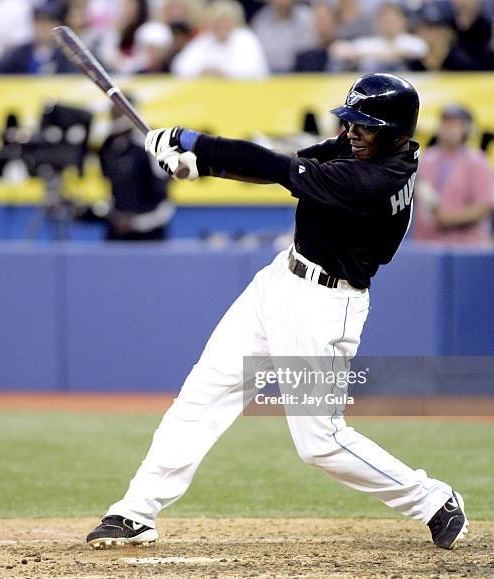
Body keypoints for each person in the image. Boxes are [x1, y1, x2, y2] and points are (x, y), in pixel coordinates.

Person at [85, 73, 468, 551]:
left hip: (324, 308)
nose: (352, 132)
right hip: (279, 281)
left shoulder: (371, 180)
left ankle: (433, 499)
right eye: (351, 122)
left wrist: (191, 140)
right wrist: (199, 164)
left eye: (363, 126)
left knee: (320, 443)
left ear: (395, 132)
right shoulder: (376, 150)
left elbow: (279, 170)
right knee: (204, 393)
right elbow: (287, 163)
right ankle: (136, 511)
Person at [413, 105, 492, 246]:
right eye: (445, 123)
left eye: (454, 124)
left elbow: (484, 206)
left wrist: (449, 219)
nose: (448, 128)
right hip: (427, 247)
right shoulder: (427, 158)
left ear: (466, 129)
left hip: (466, 248)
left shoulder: (477, 161)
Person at [98, 102, 174, 241]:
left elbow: (162, 188)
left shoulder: (149, 144)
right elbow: (112, 186)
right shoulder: (108, 146)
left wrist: (137, 221)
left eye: (119, 110)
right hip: (118, 227)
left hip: (149, 228)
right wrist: (115, 216)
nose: (114, 114)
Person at [171, 0, 268, 78]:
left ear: (234, 21)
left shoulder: (246, 39)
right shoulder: (205, 40)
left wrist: (222, 73)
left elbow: (251, 70)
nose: (221, 26)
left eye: (225, 21)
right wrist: (202, 71)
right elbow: (180, 66)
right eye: (217, 22)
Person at [330, 3, 427, 72]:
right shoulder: (370, 43)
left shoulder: (413, 42)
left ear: (402, 21)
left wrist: (369, 55)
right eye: (384, 19)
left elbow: (417, 53)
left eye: (392, 19)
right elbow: (337, 49)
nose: (388, 23)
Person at [0, 3, 75, 75]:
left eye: (47, 23)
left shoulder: (65, 55)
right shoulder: (20, 53)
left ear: (57, 25)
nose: (41, 28)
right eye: (38, 23)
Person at [250, 0, 317, 73]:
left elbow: (310, 49)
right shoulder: (260, 19)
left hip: (300, 72)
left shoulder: (306, 16)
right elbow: (258, 53)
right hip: (268, 73)